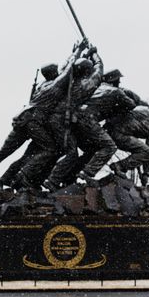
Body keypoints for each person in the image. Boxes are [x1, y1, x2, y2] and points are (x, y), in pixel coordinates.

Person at [0, 40, 87, 190]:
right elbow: (68, 70)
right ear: (53, 73)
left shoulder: (43, 85)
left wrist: (74, 52)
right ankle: (21, 176)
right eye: (56, 70)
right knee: (50, 150)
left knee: (3, 152)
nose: (58, 71)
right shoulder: (54, 86)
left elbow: (65, 69)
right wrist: (79, 51)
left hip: (22, 119)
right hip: (34, 122)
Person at [44, 47, 117, 190]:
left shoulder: (66, 82)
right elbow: (99, 68)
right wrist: (95, 54)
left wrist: (79, 53)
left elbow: (67, 66)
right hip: (65, 120)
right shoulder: (87, 84)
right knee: (108, 146)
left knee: (78, 150)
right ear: (87, 71)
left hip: (60, 119)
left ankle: (62, 179)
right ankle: (78, 174)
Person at [105, 109, 149, 186]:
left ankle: (122, 169)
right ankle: (119, 166)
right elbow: (148, 153)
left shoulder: (145, 112)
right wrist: (146, 173)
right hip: (120, 136)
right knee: (148, 153)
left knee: (141, 150)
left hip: (110, 130)